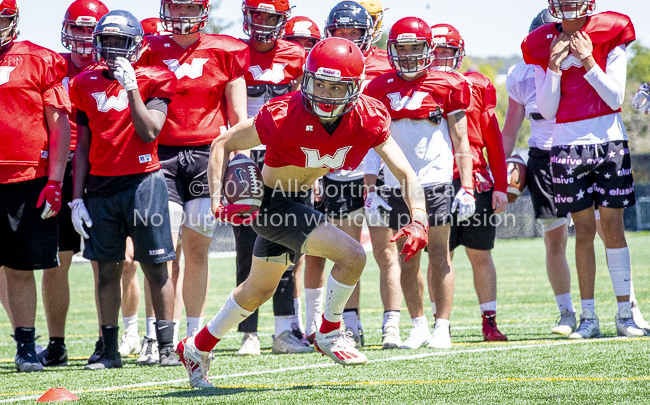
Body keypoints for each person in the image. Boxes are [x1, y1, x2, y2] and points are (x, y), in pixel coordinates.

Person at [176, 37, 429, 388]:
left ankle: (196, 347)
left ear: (354, 88)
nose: (324, 93)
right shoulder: (283, 114)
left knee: (256, 291)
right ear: (306, 79)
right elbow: (223, 143)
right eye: (319, 83)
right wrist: (218, 198)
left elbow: (405, 172)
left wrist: (418, 215)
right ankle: (328, 331)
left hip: (302, 202)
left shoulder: (368, 118)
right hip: (273, 204)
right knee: (353, 255)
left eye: (335, 86)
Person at [522, 0, 644, 338]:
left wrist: (589, 59)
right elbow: (546, 110)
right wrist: (554, 66)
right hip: (565, 145)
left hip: (608, 141)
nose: (568, 4)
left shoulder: (611, 28)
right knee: (583, 231)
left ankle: (626, 314)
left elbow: (614, 97)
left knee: (613, 229)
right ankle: (589, 317)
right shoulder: (540, 42)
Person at [136, 0, 249, 352]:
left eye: (189, 8)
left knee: (198, 246)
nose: (182, 16)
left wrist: (241, 162)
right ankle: (157, 333)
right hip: (161, 155)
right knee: (161, 249)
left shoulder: (227, 50)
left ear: (201, 11)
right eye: (176, 8)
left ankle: (195, 334)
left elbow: (239, 116)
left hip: (207, 155)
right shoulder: (147, 48)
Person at [69, 10, 179, 369]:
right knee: (106, 270)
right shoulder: (83, 83)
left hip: (143, 182)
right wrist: (76, 198)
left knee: (156, 265)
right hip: (100, 188)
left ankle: (165, 347)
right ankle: (109, 349)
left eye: (121, 42)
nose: (114, 49)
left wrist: (131, 87)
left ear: (136, 45)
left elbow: (150, 132)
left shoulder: (155, 78)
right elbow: (82, 145)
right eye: (108, 41)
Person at [364, 17, 475, 349]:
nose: (410, 56)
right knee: (407, 257)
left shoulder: (449, 84)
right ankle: (418, 325)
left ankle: (443, 325)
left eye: (416, 48)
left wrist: (466, 186)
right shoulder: (377, 87)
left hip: (436, 182)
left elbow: (461, 139)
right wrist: (370, 189)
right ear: (391, 50)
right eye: (403, 48)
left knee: (440, 254)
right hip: (396, 184)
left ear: (429, 50)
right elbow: (372, 142)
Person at [304, 0, 403, 350]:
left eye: (354, 32)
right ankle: (350, 320)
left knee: (386, 251)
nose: (347, 38)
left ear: (369, 34)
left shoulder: (381, 64)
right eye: (341, 32)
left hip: (377, 167)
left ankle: (391, 322)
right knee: (347, 252)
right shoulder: (321, 61)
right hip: (339, 168)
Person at [34, 0, 109, 368]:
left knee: (107, 261)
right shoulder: (50, 64)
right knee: (57, 261)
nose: (82, 36)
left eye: (88, 28)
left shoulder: (114, 66)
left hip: (100, 169)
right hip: (58, 169)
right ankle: (57, 343)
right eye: (76, 28)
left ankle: (107, 338)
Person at [0, 0, 72, 372]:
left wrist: (56, 180)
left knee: (19, 268)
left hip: (24, 176)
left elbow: (59, 124)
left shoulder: (40, 59)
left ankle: (26, 347)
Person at [235, 0, 309, 356]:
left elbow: (308, 111)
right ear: (247, 16)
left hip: (288, 161)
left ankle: (285, 329)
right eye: (258, 15)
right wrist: (236, 163)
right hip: (247, 158)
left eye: (272, 16)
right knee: (246, 247)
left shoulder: (297, 56)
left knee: (289, 246)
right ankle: (249, 331)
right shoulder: (233, 53)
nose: (263, 23)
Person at [429, 23, 509, 342]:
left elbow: (493, 139)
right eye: (435, 51)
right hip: (435, 179)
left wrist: (501, 185)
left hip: (474, 177)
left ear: (458, 53)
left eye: (447, 51)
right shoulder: (417, 88)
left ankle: (489, 320)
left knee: (480, 253)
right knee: (439, 255)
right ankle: (439, 324)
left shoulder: (477, 85)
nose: (440, 57)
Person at [502, 9, 578, 335]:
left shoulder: (580, 63)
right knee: (555, 238)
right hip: (543, 159)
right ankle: (567, 312)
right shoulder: (521, 74)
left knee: (605, 231)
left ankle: (626, 306)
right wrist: (495, 173)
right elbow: (510, 129)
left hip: (581, 154)